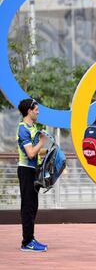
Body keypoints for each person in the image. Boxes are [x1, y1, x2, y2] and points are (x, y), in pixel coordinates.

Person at [16, 99, 48, 252]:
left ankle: (30, 238)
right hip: (26, 170)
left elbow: (35, 152)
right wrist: (42, 142)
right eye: (36, 109)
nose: (38, 111)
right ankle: (27, 242)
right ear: (29, 111)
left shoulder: (33, 127)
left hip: (33, 170)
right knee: (28, 206)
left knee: (33, 206)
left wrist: (49, 152)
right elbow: (30, 153)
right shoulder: (23, 129)